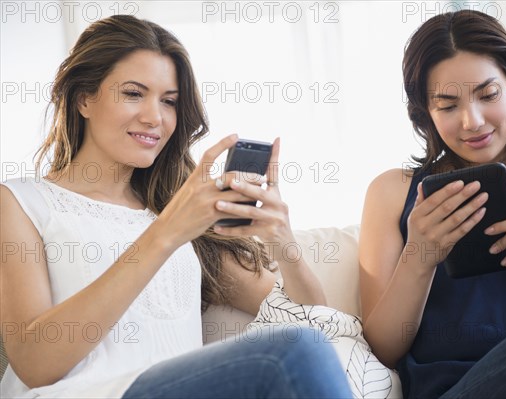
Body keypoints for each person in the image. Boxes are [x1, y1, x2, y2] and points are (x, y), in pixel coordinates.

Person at [0, 14, 352, 399]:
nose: (155, 118)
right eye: (134, 93)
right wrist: (165, 233)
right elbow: (34, 364)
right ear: (85, 98)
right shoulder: (22, 201)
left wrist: (284, 242)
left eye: (169, 102)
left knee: (305, 345)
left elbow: (312, 323)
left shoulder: (177, 214)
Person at [359, 9, 506, 399]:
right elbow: (382, 349)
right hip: (460, 389)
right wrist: (420, 256)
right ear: (425, 112)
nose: (472, 121)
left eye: (488, 95)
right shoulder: (392, 192)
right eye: (448, 105)